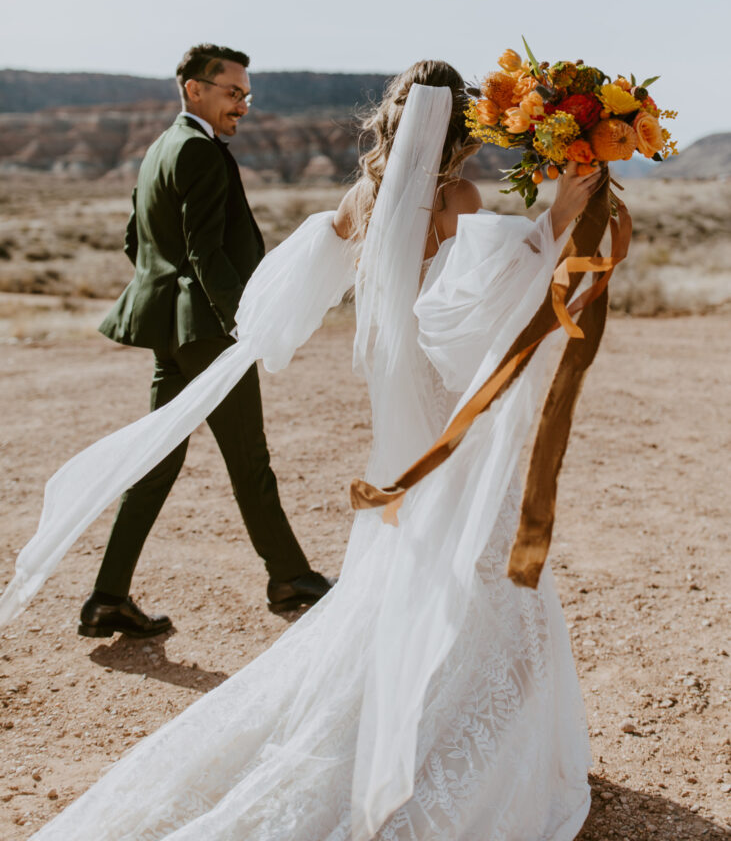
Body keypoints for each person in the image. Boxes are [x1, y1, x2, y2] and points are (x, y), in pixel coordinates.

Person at [13, 60, 601, 840]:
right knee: (476, 558)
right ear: (462, 129)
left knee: (415, 555)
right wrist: (557, 219)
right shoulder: (454, 199)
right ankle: (469, 737)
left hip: (393, 409)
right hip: (436, 412)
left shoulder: (358, 200)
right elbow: (465, 313)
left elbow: (283, 296)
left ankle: (398, 705)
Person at [80, 43, 332, 640]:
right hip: (211, 331)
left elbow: (133, 242)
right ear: (195, 89)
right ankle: (289, 577)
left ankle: (108, 598)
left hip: (177, 330)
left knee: (157, 461)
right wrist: (243, 324)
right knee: (249, 460)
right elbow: (204, 250)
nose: (243, 104)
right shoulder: (198, 150)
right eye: (232, 92)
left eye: (246, 94)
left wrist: (169, 299)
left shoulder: (160, 149)